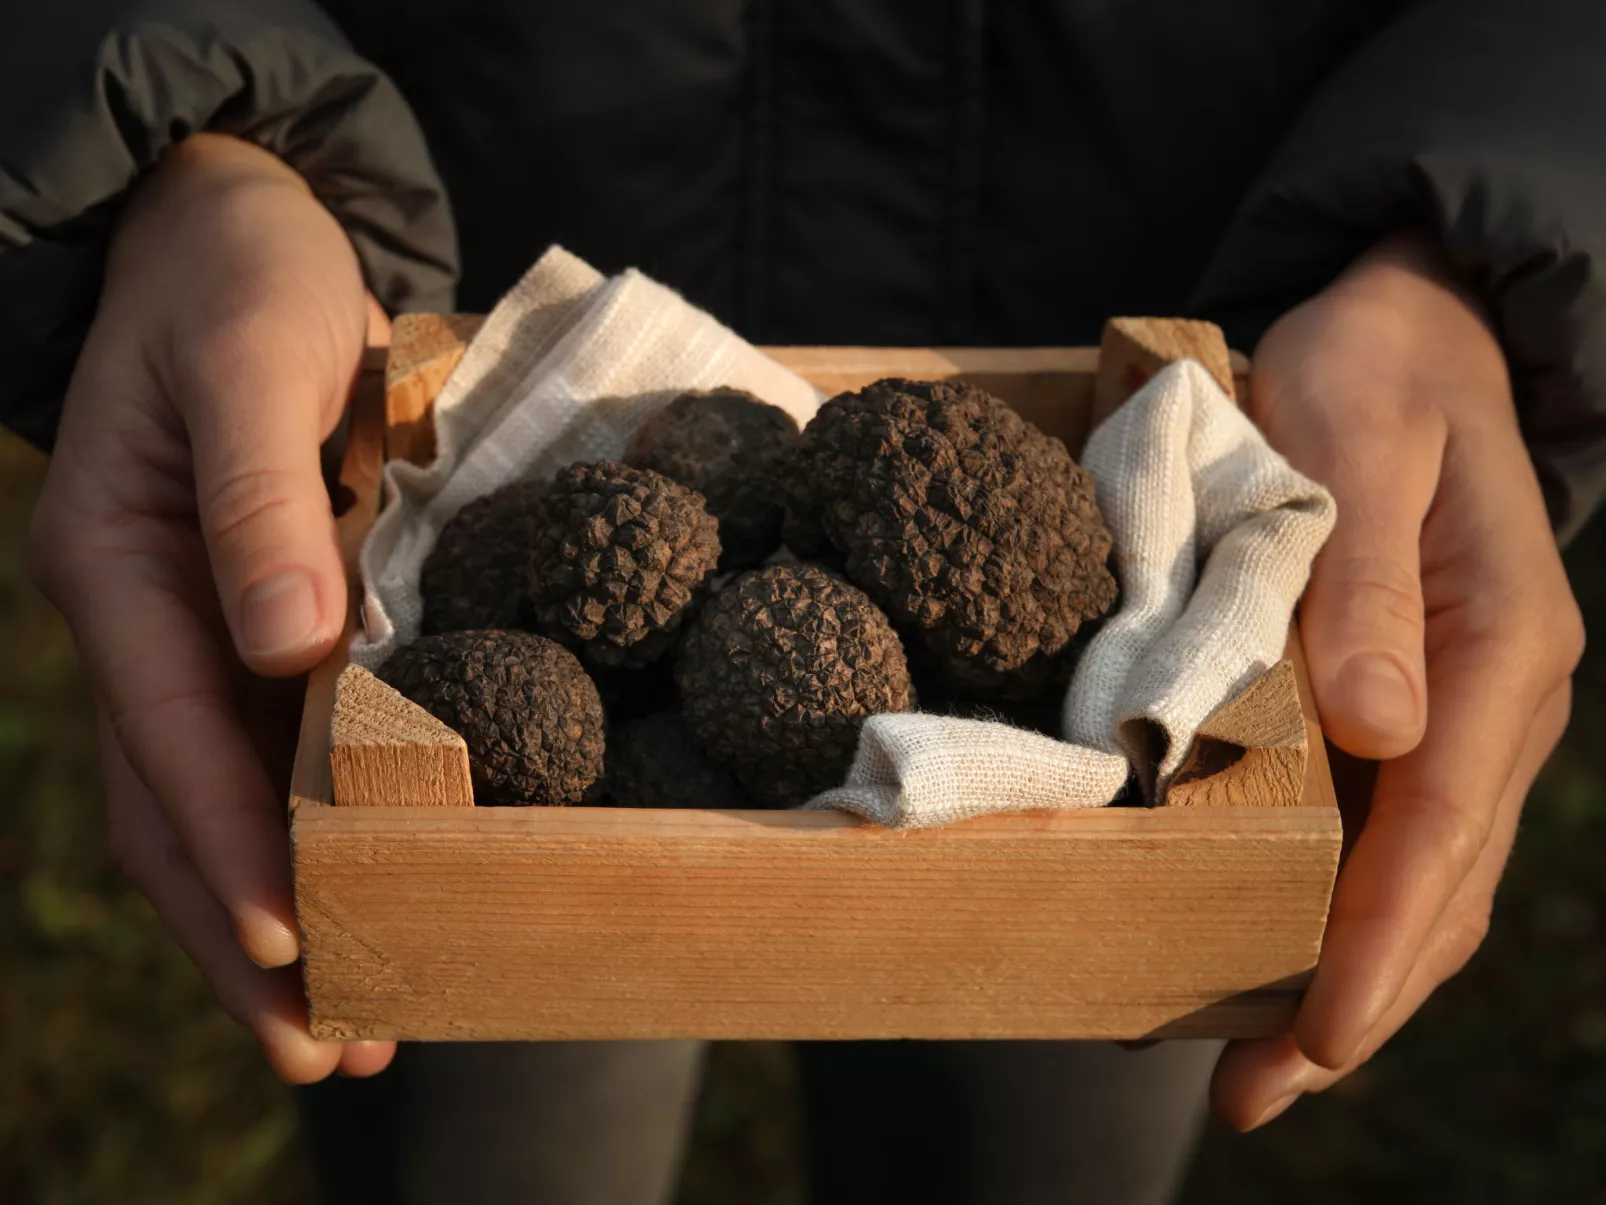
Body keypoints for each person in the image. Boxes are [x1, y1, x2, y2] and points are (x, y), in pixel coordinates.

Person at [2, 2, 1598, 1202]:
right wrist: (186, 135)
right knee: (474, 1117)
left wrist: (1456, 240)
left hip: (1186, 213)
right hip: (444, 214)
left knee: (1040, 1112)